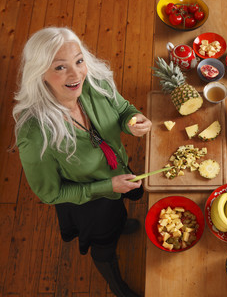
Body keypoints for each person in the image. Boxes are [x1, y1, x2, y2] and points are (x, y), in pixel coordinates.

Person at [13, 27, 152, 297]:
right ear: (40, 73)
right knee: (104, 243)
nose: (76, 74)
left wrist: (133, 121)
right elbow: (49, 193)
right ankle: (116, 283)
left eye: (78, 61)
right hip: (89, 201)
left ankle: (121, 223)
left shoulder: (95, 83)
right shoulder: (34, 135)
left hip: (118, 173)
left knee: (120, 212)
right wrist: (106, 187)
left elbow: (123, 109)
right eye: (60, 67)